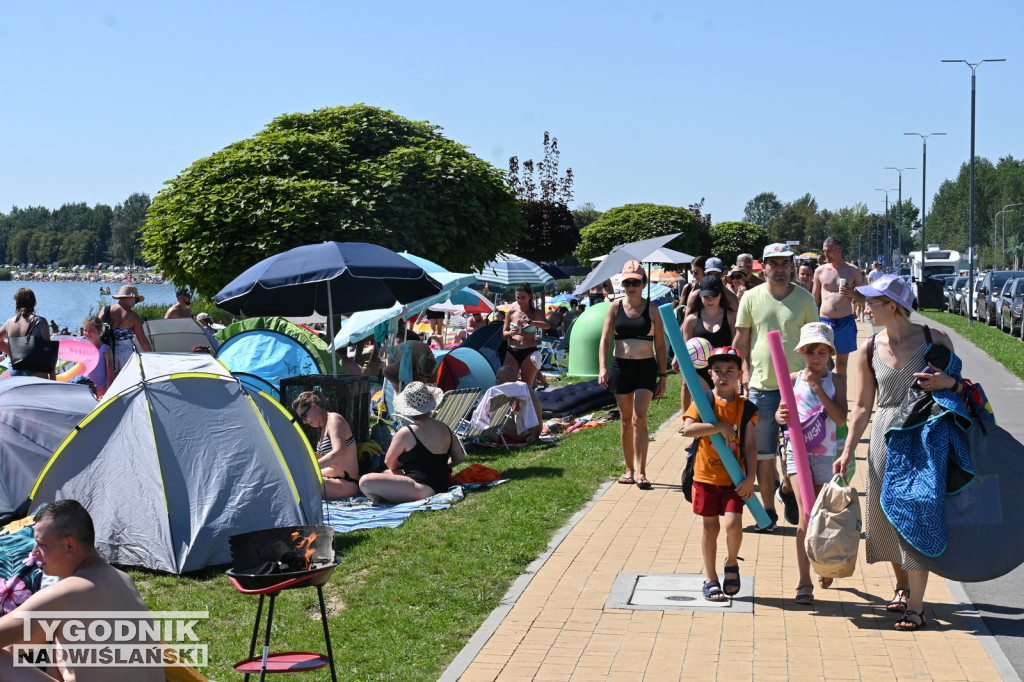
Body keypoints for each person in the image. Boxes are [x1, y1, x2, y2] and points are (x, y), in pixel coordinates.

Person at [835, 274, 963, 631]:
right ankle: (903, 586)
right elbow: (862, 406)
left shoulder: (934, 340)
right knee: (886, 513)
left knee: (918, 510)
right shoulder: (868, 347)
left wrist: (949, 383)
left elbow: (962, 389)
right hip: (884, 434)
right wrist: (847, 451)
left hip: (925, 436)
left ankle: (917, 607)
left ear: (892, 306)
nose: (865, 309)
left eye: (871, 303)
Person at [0, 500, 163, 681]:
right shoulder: (122, 579)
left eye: (42, 544)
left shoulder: (68, 592)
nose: (34, 552)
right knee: (55, 635)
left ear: (69, 545)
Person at [733, 243, 819, 532]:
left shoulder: (806, 300)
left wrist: (816, 379)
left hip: (798, 389)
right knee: (764, 452)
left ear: (792, 266)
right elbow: (742, 339)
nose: (780, 268)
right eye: (774, 263)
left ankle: (787, 487)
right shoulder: (750, 297)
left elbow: (814, 343)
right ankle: (767, 512)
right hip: (761, 387)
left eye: (785, 263)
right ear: (764, 266)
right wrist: (739, 372)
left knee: (800, 449)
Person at [775, 323, 848, 605]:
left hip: (825, 453)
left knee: (821, 513)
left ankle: (824, 563)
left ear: (830, 353)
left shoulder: (837, 381)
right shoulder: (792, 379)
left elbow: (840, 419)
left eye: (821, 352)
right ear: (802, 353)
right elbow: (782, 418)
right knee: (807, 514)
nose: (815, 358)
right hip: (797, 452)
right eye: (810, 352)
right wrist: (781, 417)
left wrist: (819, 388)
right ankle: (804, 582)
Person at [681, 346, 757, 602]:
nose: (723, 375)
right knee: (710, 528)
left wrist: (750, 478)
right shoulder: (704, 401)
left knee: (734, 525)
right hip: (705, 477)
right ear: (710, 373)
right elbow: (689, 430)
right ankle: (710, 578)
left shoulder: (746, 407)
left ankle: (732, 562)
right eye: (717, 371)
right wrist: (718, 426)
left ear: (739, 374)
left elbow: (750, 446)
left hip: (735, 480)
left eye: (730, 370)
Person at [598, 260, 668, 490]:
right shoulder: (615, 307)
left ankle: (642, 471)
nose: (630, 286)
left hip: (645, 367)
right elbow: (606, 339)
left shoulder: (653, 309)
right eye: (627, 282)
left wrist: (663, 375)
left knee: (640, 418)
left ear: (643, 283)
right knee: (626, 421)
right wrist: (602, 367)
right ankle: (628, 470)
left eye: (635, 282)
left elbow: (660, 345)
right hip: (621, 367)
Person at [359, 382, 466, 503]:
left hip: (421, 488)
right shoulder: (445, 428)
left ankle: (383, 500)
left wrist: (401, 464)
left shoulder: (407, 432)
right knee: (386, 473)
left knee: (365, 481)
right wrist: (440, 466)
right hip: (442, 483)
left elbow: (389, 462)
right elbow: (459, 458)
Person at [675, 275, 736, 412]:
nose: (709, 300)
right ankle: (689, 423)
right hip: (699, 372)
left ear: (721, 294)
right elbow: (685, 351)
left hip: (724, 371)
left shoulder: (731, 316)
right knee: (705, 412)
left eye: (713, 296)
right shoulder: (692, 320)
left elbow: (736, 347)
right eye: (705, 296)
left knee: (724, 413)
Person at [812, 237, 866, 374]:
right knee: (821, 362)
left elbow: (862, 300)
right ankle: (824, 393)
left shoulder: (853, 271)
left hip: (845, 322)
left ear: (839, 251)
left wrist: (851, 293)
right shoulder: (820, 271)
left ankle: (840, 394)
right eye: (824, 251)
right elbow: (814, 299)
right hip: (824, 321)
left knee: (842, 364)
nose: (825, 254)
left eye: (828, 251)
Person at [292, 390, 360, 500]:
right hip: (332, 480)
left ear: (314, 407)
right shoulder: (324, 428)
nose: (304, 422)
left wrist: (310, 468)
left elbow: (338, 453)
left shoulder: (334, 419)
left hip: (346, 483)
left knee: (297, 486)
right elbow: (330, 462)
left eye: (304, 416)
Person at [0, 288, 54, 378]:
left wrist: (11, 352)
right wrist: (53, 379)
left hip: (15, 371)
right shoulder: (41, 322)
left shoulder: (9, 323)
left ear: (16, 303)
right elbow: (48, 353)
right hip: (35, 371)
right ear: (34, 302)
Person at [503, 283, 548, 388]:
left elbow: (546, 326)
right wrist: (511, 333)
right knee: (507, 384)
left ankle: (529, 404)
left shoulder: (535, 312)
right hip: (512, 350)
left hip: (529, 351)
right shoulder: (511, 313)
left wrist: (530, 321)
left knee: (527, 386)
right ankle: (512, 405)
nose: (520, 300)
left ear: (530, 297)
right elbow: (504, 335)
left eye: (523, 297)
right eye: (518, 298)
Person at [102, 285, 152, 375]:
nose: (135, 303)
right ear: (130, 297)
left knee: (110, 380)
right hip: (126, 352)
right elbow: (143, 341)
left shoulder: (105, 310)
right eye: (136, 300)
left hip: (107, 351)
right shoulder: (133, 316)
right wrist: (152, 358)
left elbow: (96, 330)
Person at [493, 364, 544, 442]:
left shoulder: (511, 392)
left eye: (498, 378)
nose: (496, 381)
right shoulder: (527, 388)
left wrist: (527, 436)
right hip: (538, 431)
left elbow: (517, 415)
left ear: (508, 378)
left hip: (525, 436)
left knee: (485, 429)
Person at [82, 315, 115, 399]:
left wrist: (111, 393)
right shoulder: (82, 347)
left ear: (99, 332)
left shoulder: (105, 350)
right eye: (85, 330)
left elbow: (110, 373)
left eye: (91, 331)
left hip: (100, 387)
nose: (87, 333)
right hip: (84, 385)